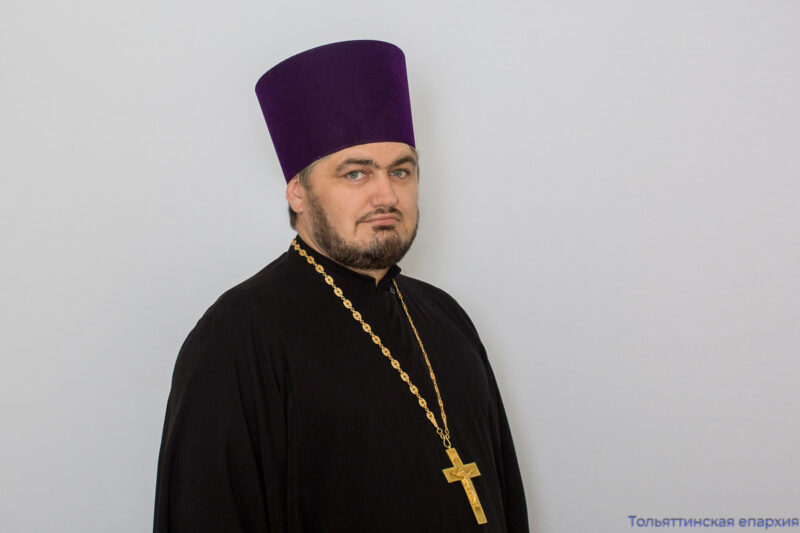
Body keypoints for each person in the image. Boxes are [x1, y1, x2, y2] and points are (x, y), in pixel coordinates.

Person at [154, 39, 528, 532]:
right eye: (356, 174)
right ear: (298, 191)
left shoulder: (446, 317)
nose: (386, 194)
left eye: (401, 170)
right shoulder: (237, 336)